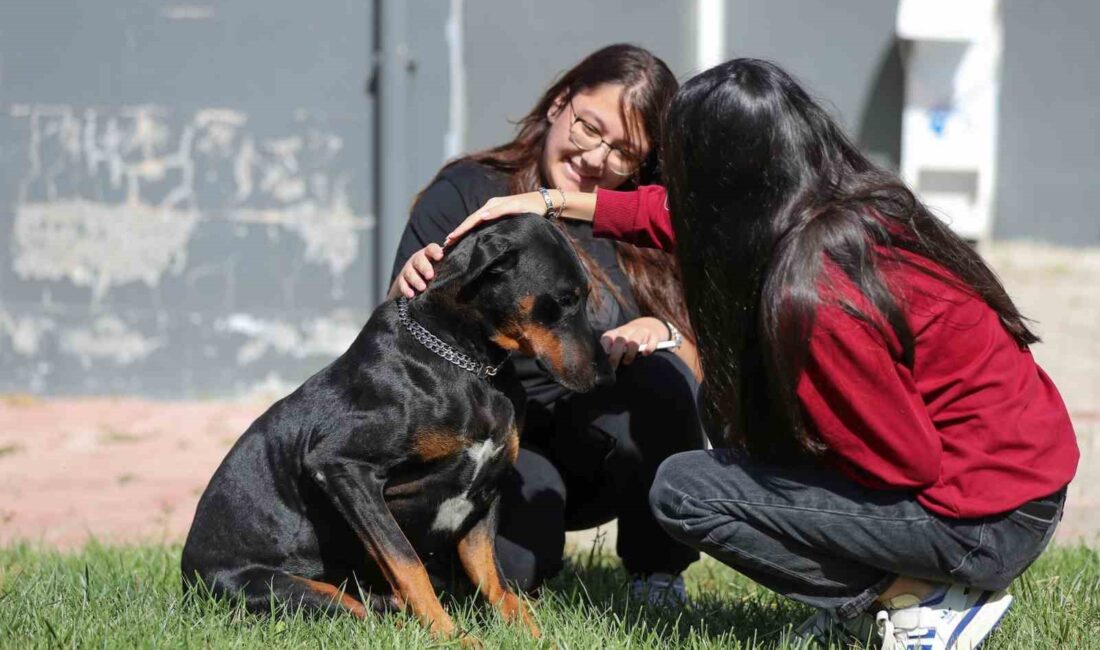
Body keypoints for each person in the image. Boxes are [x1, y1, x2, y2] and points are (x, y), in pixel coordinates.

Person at [440, 59, 1079, 650]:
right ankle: (902, 585)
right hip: (1015, 483)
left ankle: (921, 600)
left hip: (978, 517)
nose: (671, 181)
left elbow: (904, 459)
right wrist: (548, 202)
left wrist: (789, 438)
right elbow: (672, 216)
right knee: (738, 414)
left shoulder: (820, 290)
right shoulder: (835, 203)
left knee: (689, 491)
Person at [388, 44, 705, 602]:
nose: (596, 157)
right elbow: (398, 330)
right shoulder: (470, 190)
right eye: (589, 128)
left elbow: (699, 371)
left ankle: (657, 573)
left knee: (663, 381)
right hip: (485, 439)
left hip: (595, 440)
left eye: (624, 152)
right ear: (561, 101)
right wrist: (406, 288)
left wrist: (663, 333)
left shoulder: (644, 224)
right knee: (512, 572)